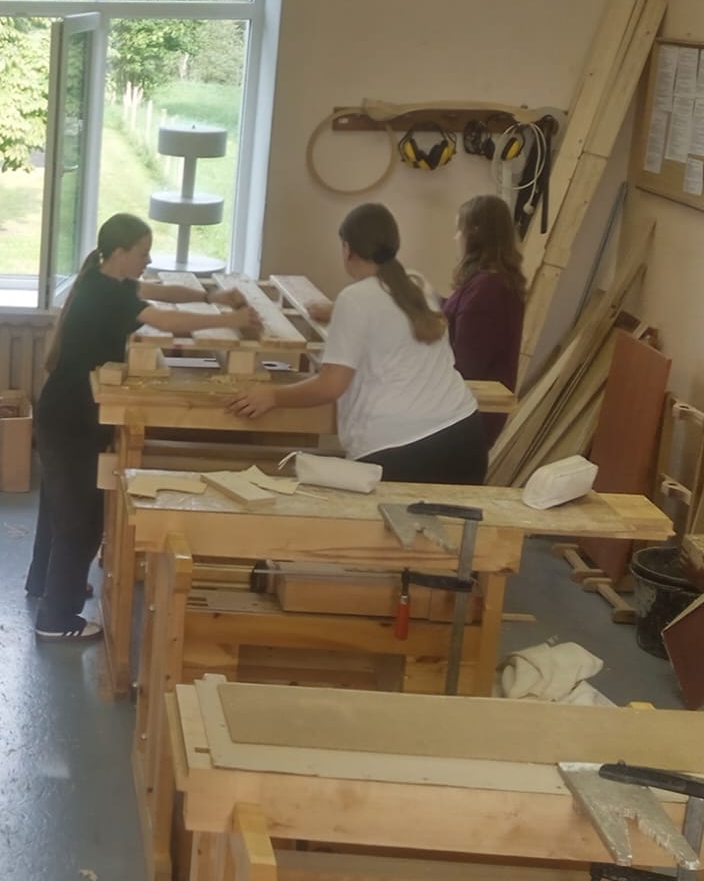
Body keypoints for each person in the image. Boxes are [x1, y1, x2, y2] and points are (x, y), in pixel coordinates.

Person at [28, 212, 261, 639]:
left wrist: (212, 296)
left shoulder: (105, 280)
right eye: (142, 253)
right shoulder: (109, 295)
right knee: (81, 519)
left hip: (63, 414)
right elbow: (167, 320)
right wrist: (230, 320)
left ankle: (48, 585)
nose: (147, 260)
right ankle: (56, 619)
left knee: (58, 509)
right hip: (73, 420)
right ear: (120, 253)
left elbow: (160, 292)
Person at [230, 203, 486, 484]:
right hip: (465, 435)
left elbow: (331, 385)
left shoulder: (355, 299)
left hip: (402, 448)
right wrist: (336, 311)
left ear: (347, 249)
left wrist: (272, 396)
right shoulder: (416, 283)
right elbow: (387, 314)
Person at [444, 193, 527, 442]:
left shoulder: (487, 291)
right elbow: (458, 313)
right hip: (468, 408)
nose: (456, 238)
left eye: (459, 230)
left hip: (470, 413)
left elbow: (467, 366)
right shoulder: (489, 282)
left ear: (475, 233)